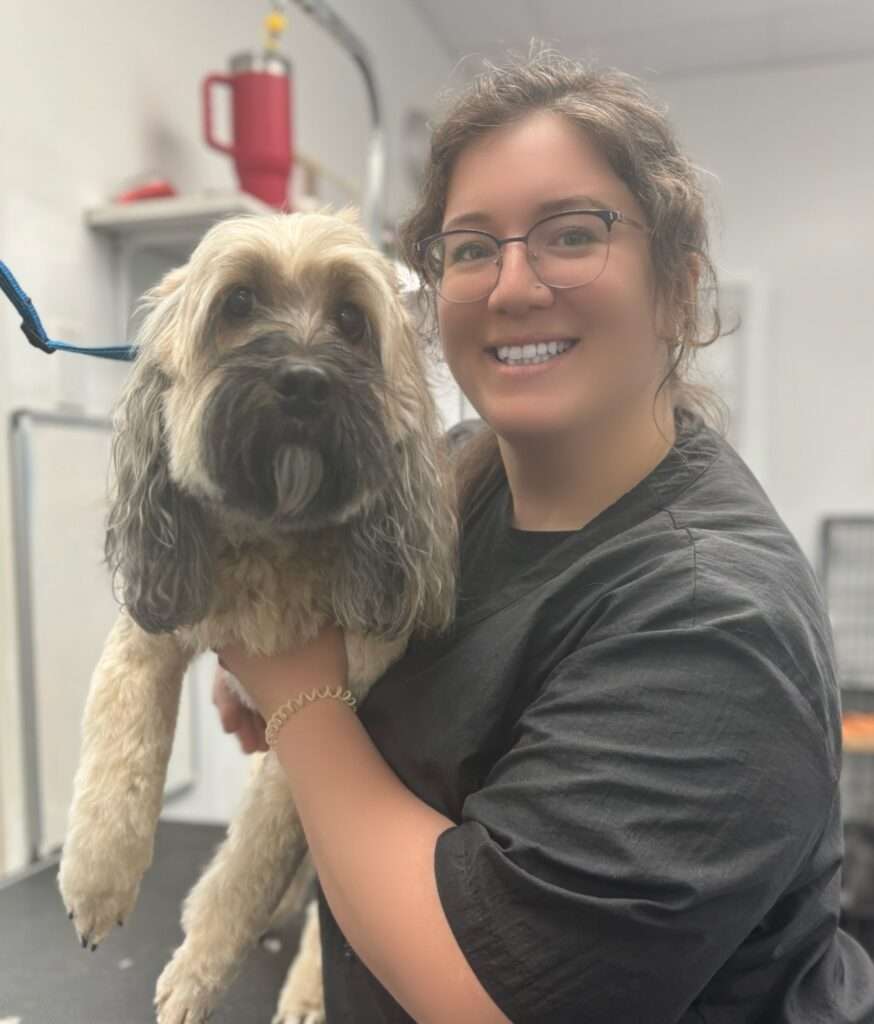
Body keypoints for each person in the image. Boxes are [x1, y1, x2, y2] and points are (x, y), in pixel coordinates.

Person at [213, 48, 874, 1023]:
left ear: (678, 289)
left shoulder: (710, 621)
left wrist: (296, 691)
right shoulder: (455, 474)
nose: (511, 285)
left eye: (571, 235)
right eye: (471, 247)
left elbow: (487, 997)